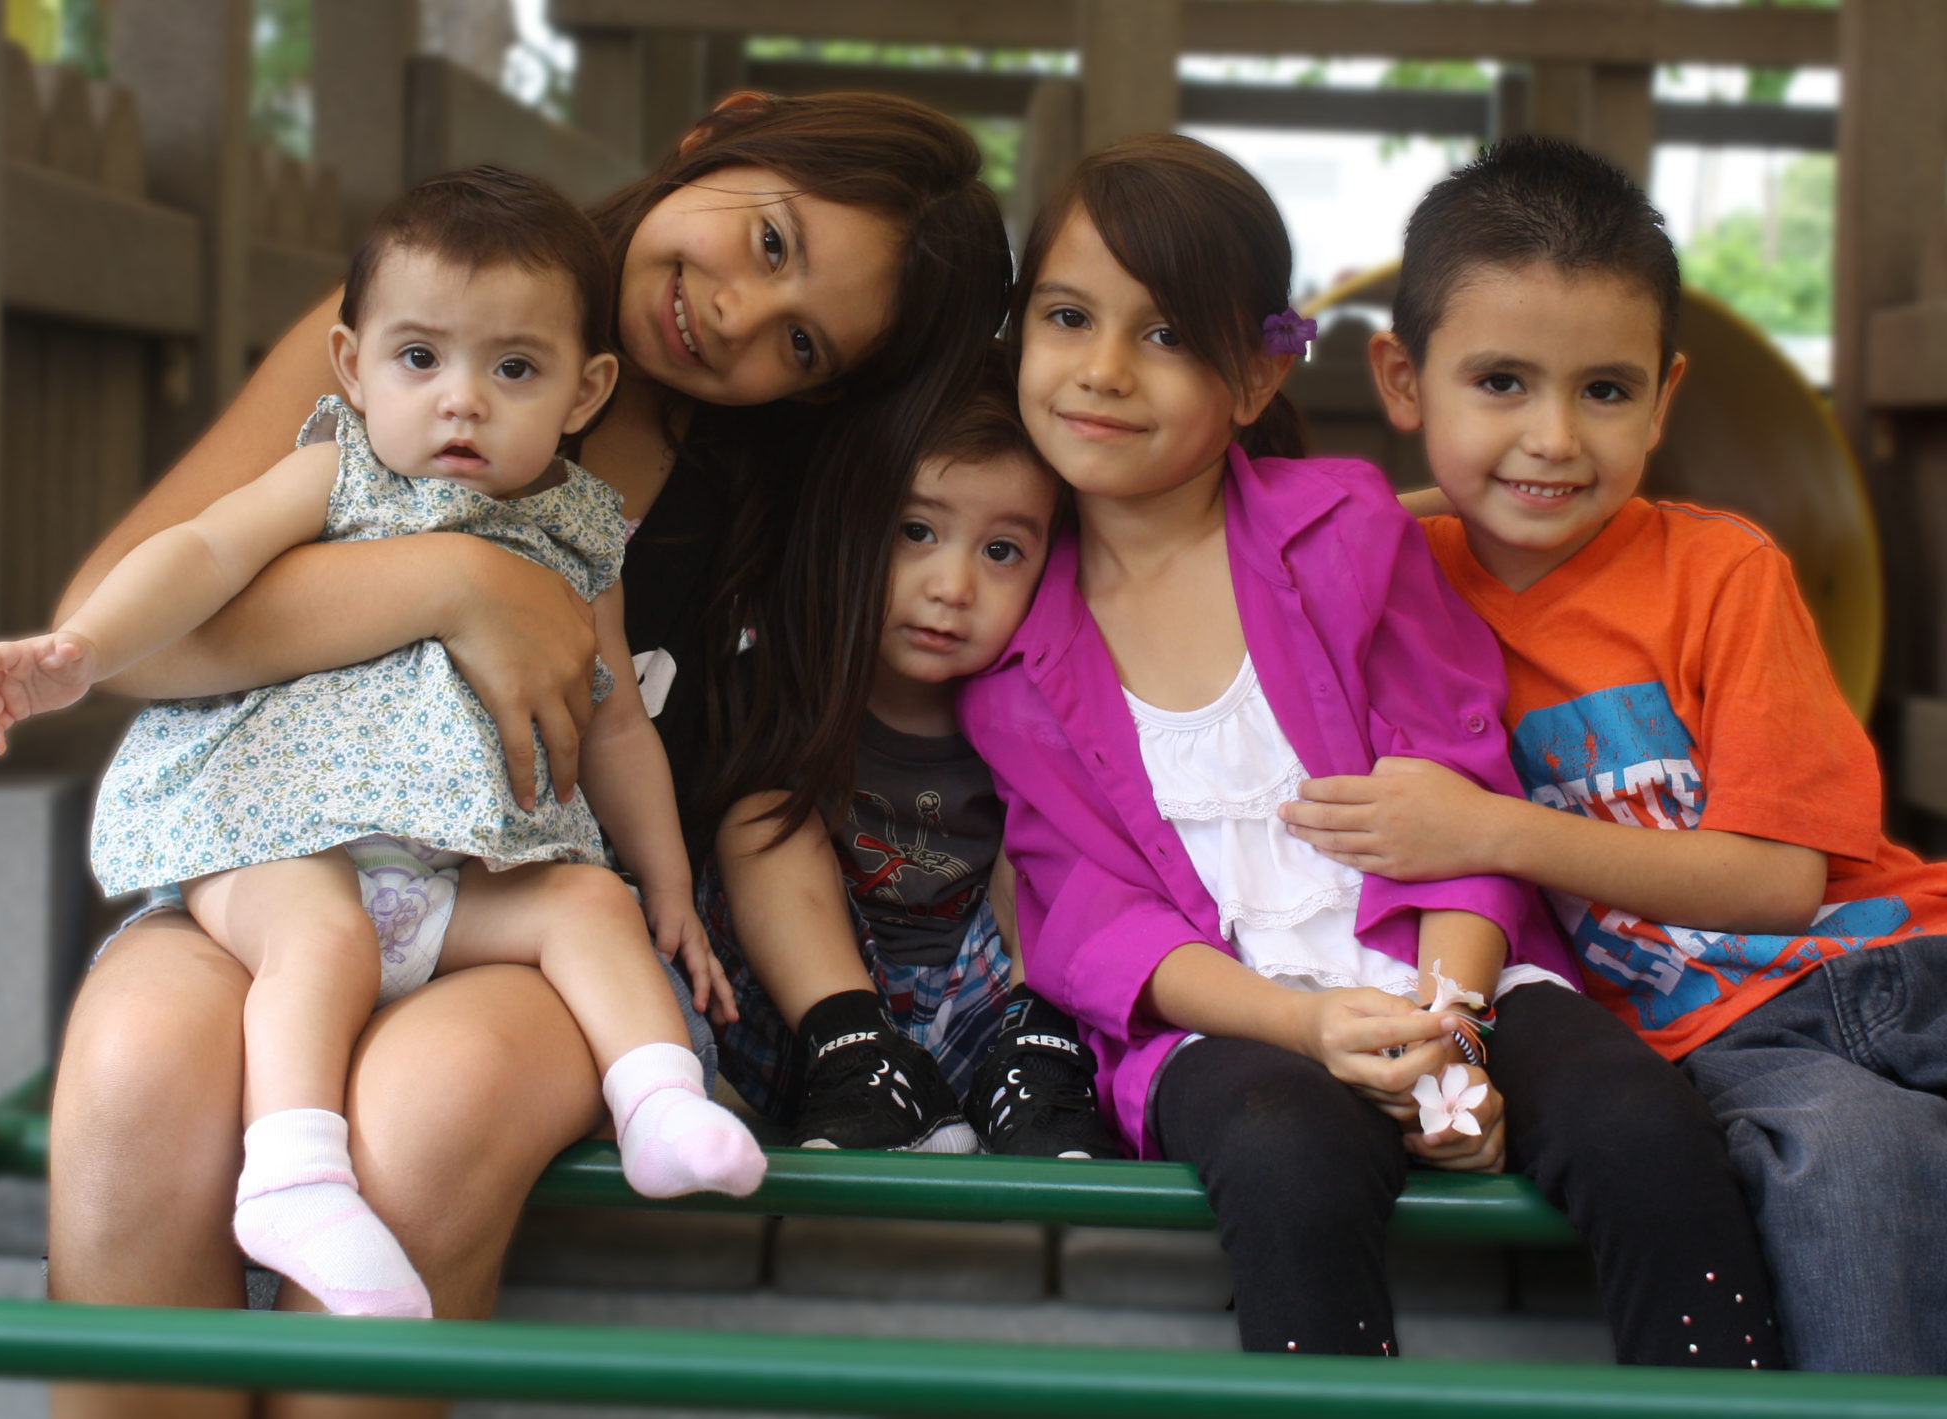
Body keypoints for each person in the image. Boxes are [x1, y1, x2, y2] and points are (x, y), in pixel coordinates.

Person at [41, 91, 1010, 1417]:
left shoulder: (777, 496)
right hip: (276, 852)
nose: (735, 316)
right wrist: (453, 582)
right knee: (139, 1072)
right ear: (722, 134)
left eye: (802, 343)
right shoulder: (415, 324)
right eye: (768, 241)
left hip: (547, 921)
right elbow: (125, 632)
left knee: (424, 1116)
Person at [959, 133, 1783, 1364]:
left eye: (1169, 334)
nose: (1104, 372)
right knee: (1287, 1152)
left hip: (1455, 970)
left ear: (1250, 377)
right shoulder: (1015, 650)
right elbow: (1090, 920)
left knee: (1637, 1127)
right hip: (1226, 1021)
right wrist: (1308, 1031)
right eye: (1070, 317)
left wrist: (1446, 1025)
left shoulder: (1340, 532)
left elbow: (1458, 788)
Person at [0, 167, 773, 1318]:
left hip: (453, 882)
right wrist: (82, 649)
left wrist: (671, 880)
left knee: (593, 910)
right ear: (353, 365)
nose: (461, 402)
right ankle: (295, 1172)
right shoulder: (337, 470)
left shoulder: (578, 529)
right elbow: (198, 557)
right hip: (284, 843)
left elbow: (616, 719)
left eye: (514, 370)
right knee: (323, 941)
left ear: (585, 391)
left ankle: (657, 1102)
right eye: (419, 360)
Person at [1281, 134, 1947, 1375]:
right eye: (1498, 383)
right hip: (1720, 1041)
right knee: (1863, 1170)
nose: (1550, 438)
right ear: (1399, 378)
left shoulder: (1718, 569)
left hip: (1894, 965)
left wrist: (1488, 830)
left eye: (1602, 389)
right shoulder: (1382, 579)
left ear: (1664, 395)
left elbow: (1777, 881)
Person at [703, 348, 1119, 1158]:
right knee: (756, 815)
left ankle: (1035, 1056)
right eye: (917, 531)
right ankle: (862, 1051)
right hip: (814, 1032)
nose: (952, 586)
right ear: (851, 525)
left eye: (1003, 550)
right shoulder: (791, 678)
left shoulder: (1049, 699)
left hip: (1003, 1033)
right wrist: (846, 1030)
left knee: (1071, 829)